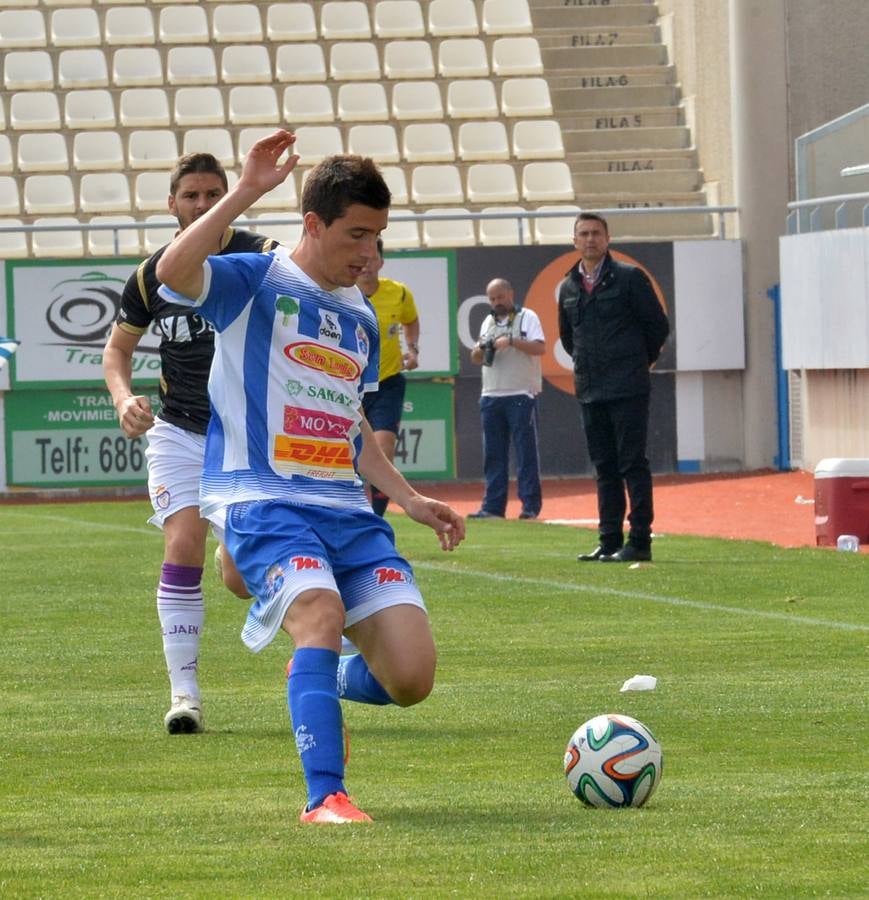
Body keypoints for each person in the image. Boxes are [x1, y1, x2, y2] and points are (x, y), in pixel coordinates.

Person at [155, 132, 464, 825]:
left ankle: (315, 689)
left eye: (378, 236)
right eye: (356, 234)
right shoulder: (254, 277)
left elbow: (351, 425)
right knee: (318, 616)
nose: (369, 253)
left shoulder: (359, 317)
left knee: (411, 677)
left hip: (345, 510)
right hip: (261, 499)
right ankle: (325, 796)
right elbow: (173, 272)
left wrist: (410, 499)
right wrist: (243, 191)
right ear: (312, 225)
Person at [102, 153, 275, 735]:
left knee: (240, 576)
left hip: (248, 435)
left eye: (213, 194)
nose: (202, 205)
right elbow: (116, 351)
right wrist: (123, 397)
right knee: (181, 545)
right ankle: (185, 695)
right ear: (171, 204)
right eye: (191, 196)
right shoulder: (153, 275)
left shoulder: (263, 256)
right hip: (178, 430)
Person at [556, 212, 670, 563]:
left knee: (632, 462)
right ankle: (608, 539)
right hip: (590, 387)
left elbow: (658, 327)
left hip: (628, 385)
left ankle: (639, 540)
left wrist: (636, 362)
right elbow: (568, 338)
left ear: (607, 239)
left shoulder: (629, 277)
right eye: (583, 234)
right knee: (603, 465)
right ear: (574, 241)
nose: (590, 239)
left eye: (596, 233)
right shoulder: (568, 285)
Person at [469, 278, 545, 520]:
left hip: (521, 393)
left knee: (526, 453)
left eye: (500, 297)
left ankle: (530, 506)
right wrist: (483, 347)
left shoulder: (527, 317)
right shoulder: (488, 321)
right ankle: (493, 506)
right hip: (491, 394)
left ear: (510, 294)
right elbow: (475, 357)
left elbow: (540, 348)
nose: (497, 303)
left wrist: (511, 341)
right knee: (493, 454)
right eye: (492, 299)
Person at [355, 240, 420, 516]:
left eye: (373, 258)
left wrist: (413, 349)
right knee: (352, 455)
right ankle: (355, 512)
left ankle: (377, 518)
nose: (367, 265)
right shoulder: (342, 294)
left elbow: (411, 321)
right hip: (351, 385)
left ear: (381, 262)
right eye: (362, 258)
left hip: (388, 382)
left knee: (384, 447)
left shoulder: (399, 293)